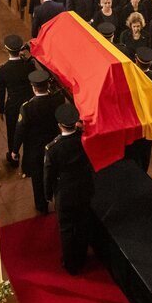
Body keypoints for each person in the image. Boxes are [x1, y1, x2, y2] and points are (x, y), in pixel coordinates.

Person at [43, 103, 95, 274]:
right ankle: (81, 258)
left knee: (66, 228)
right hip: (85, 187)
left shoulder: (53, 148)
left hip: (65, 192)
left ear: (59, 126)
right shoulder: (84, 139)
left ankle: (70, 263)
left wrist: (48, 194)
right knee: (82, 224)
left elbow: (49, 175)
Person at [14, 70, 64, 214]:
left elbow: (20, 131)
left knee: (37, 178)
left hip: (35, 150)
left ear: (33, 87)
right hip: (54, 145)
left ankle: (41, 205)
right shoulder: (57, 101)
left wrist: (15, 150)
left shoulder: (27, 107)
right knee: (55, 175)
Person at [0, 35, 34, 167]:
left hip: (12, 106)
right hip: (29, 103)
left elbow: (1, 92)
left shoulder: (2, 70)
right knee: (29, 132)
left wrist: (1, 109)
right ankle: (28, 161)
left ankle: (14, 158)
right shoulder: (29, 66)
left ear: (6, 50)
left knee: (12, 131)